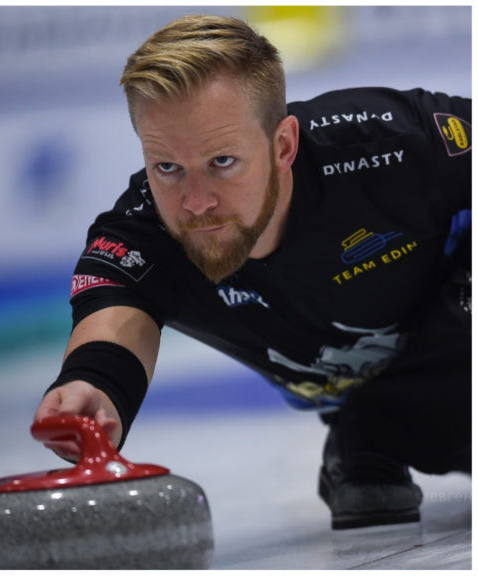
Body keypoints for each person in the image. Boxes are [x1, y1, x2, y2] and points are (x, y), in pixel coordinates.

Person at [35, 14, 470, 530]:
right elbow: (111, 329)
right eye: (166, 168)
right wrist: (93, 389)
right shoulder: (141, 235)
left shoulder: (395, 142)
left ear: (284, 145)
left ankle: (370, 434)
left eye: (223, 161)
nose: (196, 203)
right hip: (406, 410)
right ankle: (369, 432)